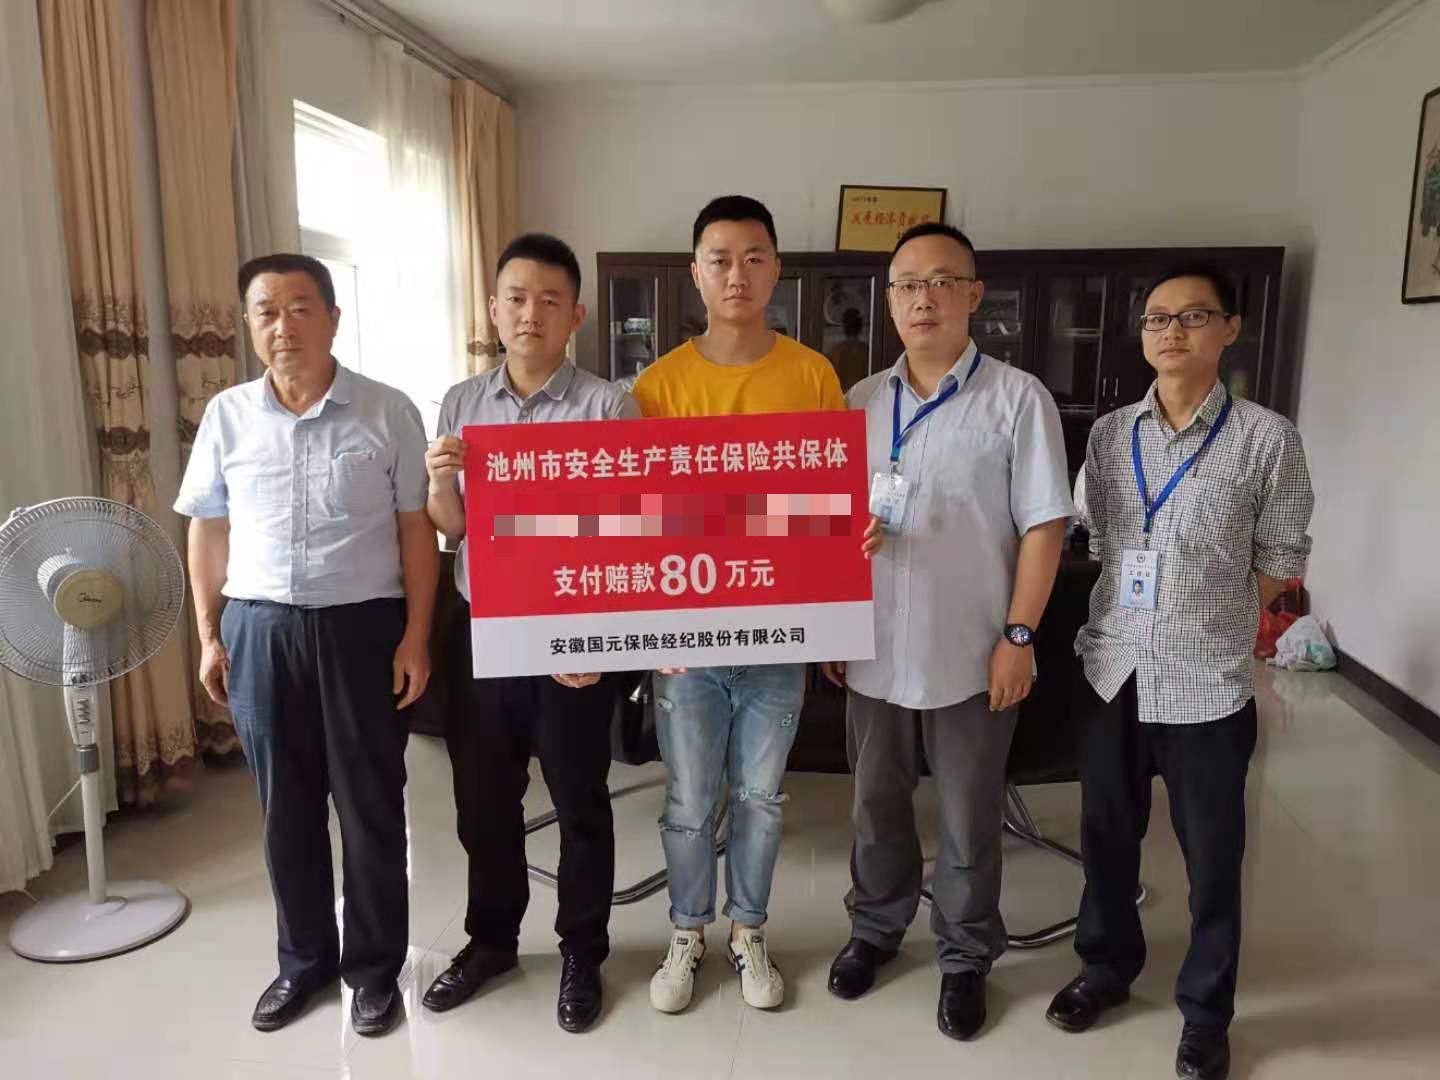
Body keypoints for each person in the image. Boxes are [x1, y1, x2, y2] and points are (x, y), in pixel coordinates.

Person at [1046, 267, 1314, 1080]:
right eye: (1157, 318)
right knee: (1105, 837)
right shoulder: (1109, 434)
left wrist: (1211, 613)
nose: (1171, 331)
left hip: (1206, 680)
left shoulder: (1267, 438)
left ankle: (1206, 1011)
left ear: (1229, 329)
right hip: (1113, 667)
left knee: (1213, 857)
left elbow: (1281, 560)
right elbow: (1092, 535)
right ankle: (1105, 967)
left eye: (1193, 316)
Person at [176, 253, 437, 1038]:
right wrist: (209, 633)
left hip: (362, 629)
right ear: (247, 324)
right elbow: (208, 528)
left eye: (299, 307)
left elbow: (415, 529)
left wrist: (417, 636)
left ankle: (375, 972)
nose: (283, 325)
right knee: (283, 812)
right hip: (258, 629)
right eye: (266, 311)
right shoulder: (227, 415)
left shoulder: (386, 410)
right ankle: (303, 963)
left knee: (369, 808)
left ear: (332, 318)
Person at [823, 222, 1073, 1041]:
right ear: (888, 300)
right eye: (906, 284)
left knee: (969, 816)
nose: (922, 298)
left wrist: (1019, 636)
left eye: (941, 281)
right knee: (875, 805)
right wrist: (833, 621)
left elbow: (1045, 526)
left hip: (972, 651)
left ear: (974, 294)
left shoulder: (1018, 399)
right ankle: (875, 929)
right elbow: (824, 526)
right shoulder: (858, 402)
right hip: (872, 647)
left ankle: (965, 956)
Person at [632, 195, 847, 1014]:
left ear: (776, 270)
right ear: (695, 273)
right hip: (686, 640)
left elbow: (830, 507)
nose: (737, 274)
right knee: (690, 801)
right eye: (719, 259)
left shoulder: (812, 375)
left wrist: (833, 614)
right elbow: (636, 522)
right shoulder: (658, 386)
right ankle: (687, 930)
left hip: (777, 635)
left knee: (760, 798)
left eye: (754, 258)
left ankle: (748, 931)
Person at [422, 233, 640, 1034]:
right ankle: (491, 941)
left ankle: (583, 950)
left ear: (576, 315)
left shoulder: (608, 406)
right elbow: (453, 529)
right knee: (484, 800)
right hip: (483, 628)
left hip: (571, 631)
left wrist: (595, 641)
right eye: (516, 298)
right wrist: (441, 482)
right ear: (493, 309)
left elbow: (628, 531)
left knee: (580, 799)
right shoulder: (460, 402)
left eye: (550, 300)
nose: (531, 314)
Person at [826, 305, 871, 390]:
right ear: (860, 326)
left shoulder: (835, 352)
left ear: (844, 326)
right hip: (865, 393)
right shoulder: (868, 351)